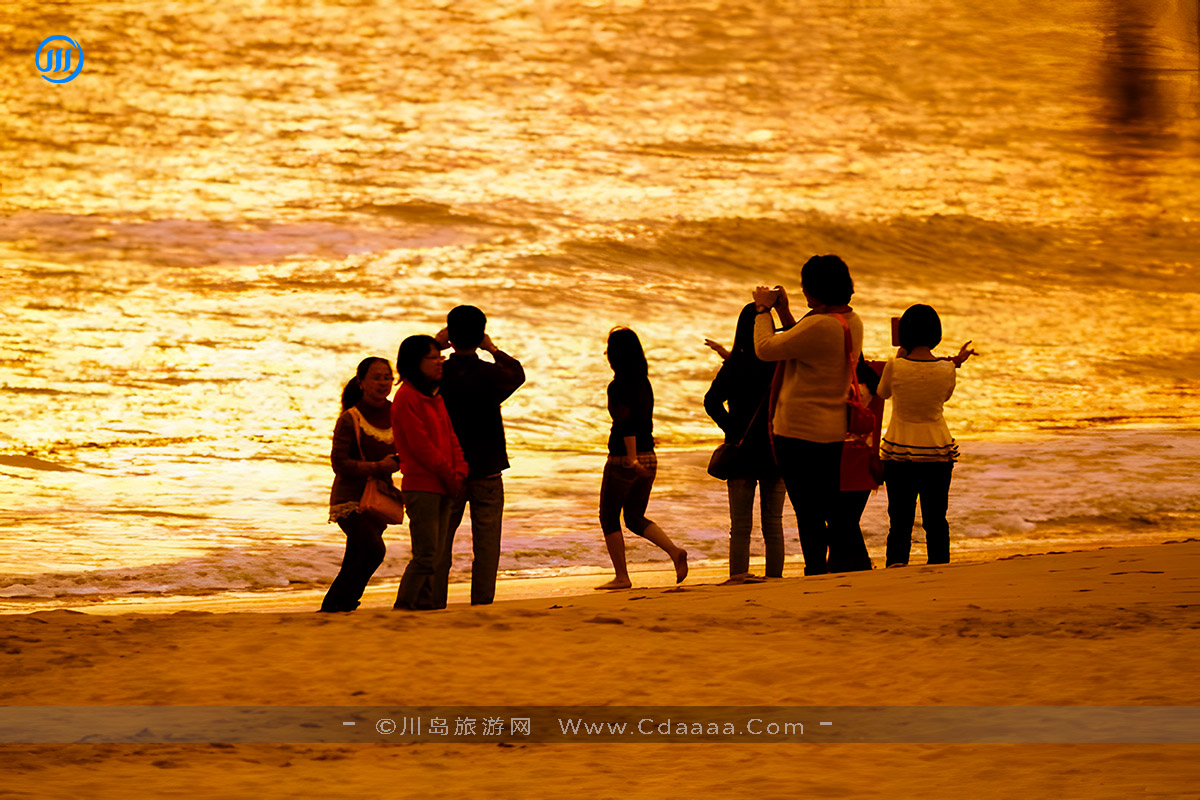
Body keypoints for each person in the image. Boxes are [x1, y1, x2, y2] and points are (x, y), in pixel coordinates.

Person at [752, 255, 863, 576]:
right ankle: (842, 565)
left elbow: (766, 348)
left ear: (813, 289)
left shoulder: (821, 325)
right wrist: (785, 312)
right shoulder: (850, 321)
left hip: (799, 433)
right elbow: (801, 343)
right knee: (831, 506)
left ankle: (817, 570)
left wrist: (762, 310)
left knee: (809, 511)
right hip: (833, 429)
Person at [436, 305, 525, 606]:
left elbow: (408, 378)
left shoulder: (439, 375)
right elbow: (517, 373)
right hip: (487, 467)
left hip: (450, 469)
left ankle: (435, 600)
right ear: (481, 335)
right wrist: (492, 348)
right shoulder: (490, 374)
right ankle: (482, 601)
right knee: (487, 546)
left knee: (440, 544)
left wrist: (434, 346)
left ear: (450, 335)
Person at [878, 304, 975, 566]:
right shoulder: (946, 370)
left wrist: (900, 354)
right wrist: (954, 361)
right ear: (936, 333)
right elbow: (944, 396)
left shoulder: (894, 366)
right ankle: (939, 568)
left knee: (899, 520)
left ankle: (896, 568)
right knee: (936, 519)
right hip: (937, 449)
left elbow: (882, 393)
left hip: (899, 450)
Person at [596, 327, 688, 589]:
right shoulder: (643, 382)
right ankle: (673, 551)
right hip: (649, 456)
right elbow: (642, 420)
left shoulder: (618, 386)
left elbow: (626, 423)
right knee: (635, 517)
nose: (605, 353)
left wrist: (632, 459)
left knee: (609, 517)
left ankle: (622, 577)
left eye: (608, 349)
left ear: (615, 354)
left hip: (625, 459)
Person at [704, 303, 785, 579]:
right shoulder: (779, 364)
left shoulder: (735, 366)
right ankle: (775, 579)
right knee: (773, 523)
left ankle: (738, 577)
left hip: (742, 453)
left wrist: (733, 429)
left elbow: (711, 401)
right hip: (775, 450)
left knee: (740, 526)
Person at [391, 335, 469, 610]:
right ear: (415, 363)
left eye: (440, 357)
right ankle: (404, 607)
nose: (439, 363)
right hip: (422, 485)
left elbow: (451, 437)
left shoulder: (434, 395)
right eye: (432, 358)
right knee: (425, 555)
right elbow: (421, 447)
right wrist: (450, 474)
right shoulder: (406, 398)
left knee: (437, 556)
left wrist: (460, 469)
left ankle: (425, 607)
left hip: (445, 482)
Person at [322, 357, 401, 612]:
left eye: (387, 377)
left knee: (356, 556)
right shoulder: (350, 418)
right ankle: (345, 602)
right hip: (349, 500)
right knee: (374, 550)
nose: (383, 383)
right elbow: (339, 463)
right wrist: (379, 467)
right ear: (361, 382)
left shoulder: (396, 413)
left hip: (378, 501)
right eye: (376, 377)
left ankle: (336, 607)